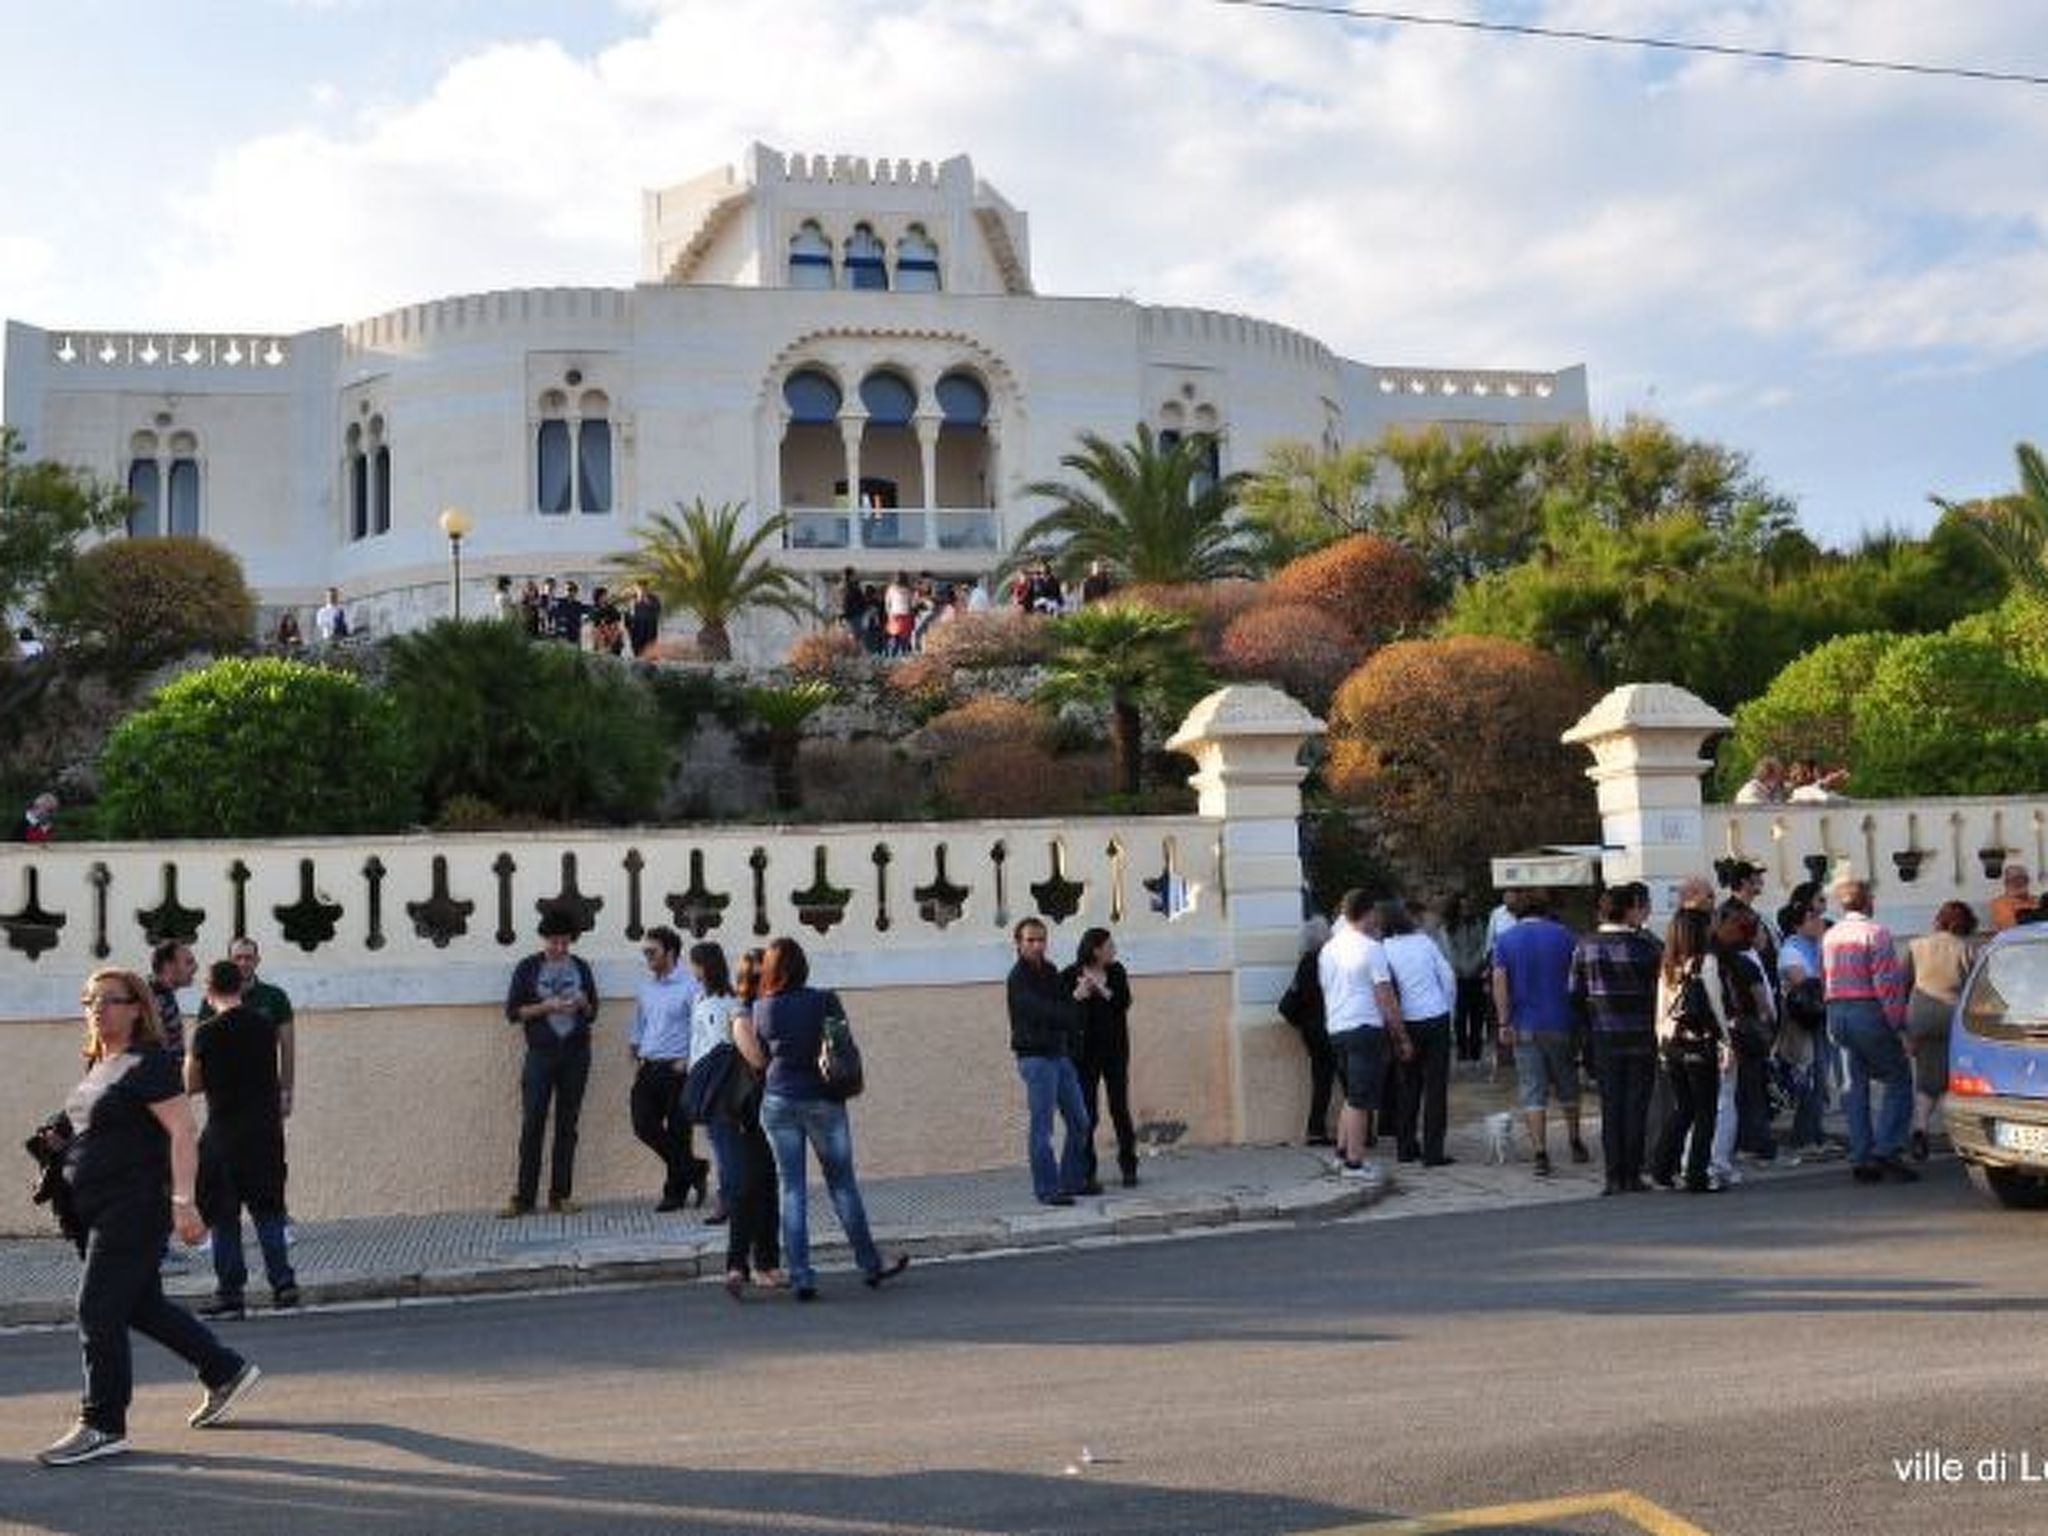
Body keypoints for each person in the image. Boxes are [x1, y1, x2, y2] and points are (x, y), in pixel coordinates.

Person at [35, 967, 261, 1466]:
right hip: (96, 1208)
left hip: (133, 1207)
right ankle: (224, 1370)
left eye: (109, 1000)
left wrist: (184, 1202)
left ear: (137, 1008)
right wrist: (59, 1137)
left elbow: (182, 1130)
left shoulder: (150, 1062)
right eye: (89, 1000)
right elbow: (98, 1127)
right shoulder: (102, 1063)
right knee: (141, 1305)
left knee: (96, 1309)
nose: (96, 1009)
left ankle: (103, 1423)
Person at [732, 937, 908, 1301]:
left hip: (778, 1100)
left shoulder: (762, 1007)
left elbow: (762, 1057)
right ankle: (871, 1263)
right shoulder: (825, 1000)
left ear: (771, 970)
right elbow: (841, 1043)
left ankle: (801, 1276)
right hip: (823, 1100)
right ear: (803, 967)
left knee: (791, 1189)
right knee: (842, 1184)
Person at [185, 959, 297, 1317]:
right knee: (268, 1210)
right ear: (241, 986)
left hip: (224, 1133)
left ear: (209, 990)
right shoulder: (264, 1027)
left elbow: (190, 1083)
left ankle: (231, 1293)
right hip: (264, 1132)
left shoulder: (206, 1032)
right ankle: (283, 1283)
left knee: (223, 1215)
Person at [501, 911, 599, 1217]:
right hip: (540, 1054)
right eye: (554, 942)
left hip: (576, 1054)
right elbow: (513, 1012)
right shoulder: (528, 968)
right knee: (533, 1123)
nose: (559, 948)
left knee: (567, 1125)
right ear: (544, 939)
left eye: (565, 942)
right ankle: (524, 1198)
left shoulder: (581, 967)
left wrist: (583, 1003)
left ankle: (561, 1195)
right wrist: (546, 1006)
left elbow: (593, 1012)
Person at [1822, 877, 1916, 1184]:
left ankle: (1861, 1155)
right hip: (1867, 1009)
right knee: (1898, 1077)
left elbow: (1825, 976)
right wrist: (1899, 1026)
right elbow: (1887, 985)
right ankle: (1887, 1147)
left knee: (1854, 1086)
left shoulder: (1830, 935)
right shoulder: (1876, 933)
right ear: (1867, 901)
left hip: (1837, 1010)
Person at [1570, 884, 1663, 1194]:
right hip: (1641, 1035)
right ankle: (1632, 1173)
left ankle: (1613, 1176)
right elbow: (1661, 991)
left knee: (1610, 1106)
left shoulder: (1585, 946)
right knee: (1636, 1106)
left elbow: (1574, 994)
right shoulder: (1647, 948)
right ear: (1630, 909)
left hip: (1603, 1035)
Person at [1491, 888, 1586, 1176]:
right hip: (1562, 1020)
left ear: (1516, 912)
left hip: (1525, 1023)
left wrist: (1503, 1022)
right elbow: (1579, 977)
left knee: (1532, 1088)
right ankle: (1574, 1140)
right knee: (1568, 1082)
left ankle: (1540, 1152)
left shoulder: (1505, 940)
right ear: (1546, 909)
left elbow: (1499, 982)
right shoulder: (1566, 936)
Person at [1319, 889, 1410, 1177]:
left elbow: (1326, 988)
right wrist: (1401, 1035)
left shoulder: (1328, 949)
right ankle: (1354, 1163)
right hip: (1364, 1027)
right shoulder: (1371, 948)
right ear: (1369, 913)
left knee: (1351, 1095)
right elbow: (1385, 995)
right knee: (1360, 1100)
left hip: (1336, 1027)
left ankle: (1342, 1153)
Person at [1007, 916, 1094, 1203]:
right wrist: (1074, 999)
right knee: (1043, 1127)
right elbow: (1047, 1012)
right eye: (1030, 940)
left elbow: (1064, 1011)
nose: (1037, 945)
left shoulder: (1051, 971)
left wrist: (1070, 1002)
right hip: (1036, 1059)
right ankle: (1047, 1189)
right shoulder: (1018, 979)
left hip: (1059, 1055)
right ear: (1018, 944)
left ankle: (1071, 1181)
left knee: (1080, 1121)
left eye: (1041, 940)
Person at [718, 947, 783, 1297]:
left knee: (767, 1187)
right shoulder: (742, 1014)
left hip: (767, 1110)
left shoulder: (770, 1008)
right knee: (747, 1189)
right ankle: (738, 1265)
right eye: (759, 976)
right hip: (744, 1113)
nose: (765, 981)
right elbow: (757, 1060)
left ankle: (764, 1264)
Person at [628, 925, 707, 1213]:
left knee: (678, 1132)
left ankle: (674, 1193)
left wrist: (688, 1059)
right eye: (645, 952)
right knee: (642, 1124)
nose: (647, 956)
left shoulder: (691, 986)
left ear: (670, 952)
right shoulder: (645, 987)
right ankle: (694, 1168)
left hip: (677, 1069)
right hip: (649, 1067)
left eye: (653, 951)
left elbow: (701, 1028)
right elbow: (640, 1022)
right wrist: (635, 1049)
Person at [1649, 909, 1726, 1193]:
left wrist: (1661, 1044)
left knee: (1683, 1109)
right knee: (1706, 1112)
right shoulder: (1707, 962)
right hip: (1699, 1042)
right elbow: (1716, 1006)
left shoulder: (1668, 964)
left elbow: (1661, 1009)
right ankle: (1697, 1173)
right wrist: (1727, 1041)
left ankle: (1661, 1168)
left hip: (1671, 1043)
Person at [1379, 900, 1457, 1167]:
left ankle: (1406, 1147)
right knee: (1436, 1088)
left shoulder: (1384, 949)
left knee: (1407, 1085)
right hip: (1435, 1017)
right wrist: (1449, 1012)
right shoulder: (1425, 942)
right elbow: (1447, 978)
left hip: (1406, 1023)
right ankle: (1434, 1151)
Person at [1063, 927, 1140, 1189]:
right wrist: (1077, 995)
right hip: (1085, 1055)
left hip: (1115, 1052)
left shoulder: (1116, 972)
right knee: (1088, 1113)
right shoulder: (1070, 974)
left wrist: (1102, 989)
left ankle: (1129, 1166)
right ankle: (1088, 1171)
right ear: (1095, 950)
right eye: (1109, 946)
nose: (1113, 950)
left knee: (1119, 1109)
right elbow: (1062, 1010)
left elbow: (1124, 1002)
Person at [1902, 900, 1978, 1163]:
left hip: (1921, 1017)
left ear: (1939, 920)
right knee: (1954, 1077)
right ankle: (1956, 1134)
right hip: (1953, 1018)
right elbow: (1974, 988)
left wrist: (1904, 1028)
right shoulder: (1966, 949)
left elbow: (1903, 984)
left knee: (1926, 1076)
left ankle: (1920, 1128)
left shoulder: (1915, 946)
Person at [1279, 915, 1337, 1146]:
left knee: (1321, 1080)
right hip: (1330, 1027)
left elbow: (1289, 1005)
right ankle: (1359, 1131)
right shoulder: (1329, 962)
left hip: (1311, 1030)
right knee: (1348, 1079)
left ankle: (1316, 1130)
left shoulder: (1304, 963)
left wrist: (1303, 1024)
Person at [149, 939, 195, 1061]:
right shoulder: (151, 1000)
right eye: (188, 962)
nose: (195, 968)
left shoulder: (165, 993)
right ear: (168, 966)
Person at [1990, 862, 2036, 931]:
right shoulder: (1999, 903)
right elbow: (2010, 925)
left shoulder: (2037, 900)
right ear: (2006, 883)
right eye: (2015, 878)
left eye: (2024, 878)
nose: (2020, 881)